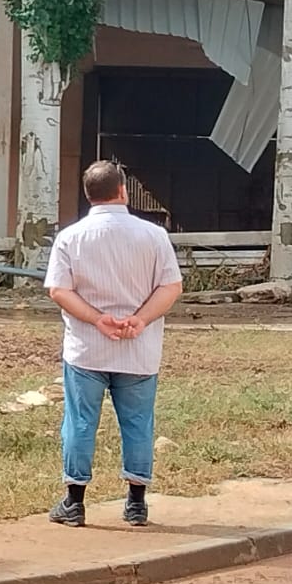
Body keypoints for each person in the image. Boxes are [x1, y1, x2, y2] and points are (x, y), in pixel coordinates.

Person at [42, 160, 183, 528]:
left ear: (89, 196)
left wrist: (96, 319)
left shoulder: (70, 237)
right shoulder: (153, 236)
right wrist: (141, 319)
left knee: (80, 422)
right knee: (138, 424)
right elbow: (171, 287)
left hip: (86, 349)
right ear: (123, 191)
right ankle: (136, 503)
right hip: (139, 350)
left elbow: (59, 290)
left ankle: (74, 503)